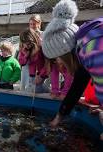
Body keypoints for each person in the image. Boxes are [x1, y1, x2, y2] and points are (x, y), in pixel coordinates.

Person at [41, 0, 103, 139]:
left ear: (64, 52)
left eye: (56, 58)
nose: (57, 63)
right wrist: (59, 116)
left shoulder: (92, 50)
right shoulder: (84, 43)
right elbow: (77, 86)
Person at [19, 28, 49, 93]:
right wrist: (25, 56)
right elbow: (21, 62)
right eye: (24, 43)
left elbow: (48, 63)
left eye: (29, 43)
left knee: (37, 89)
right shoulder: (24, 49)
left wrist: (41, 76)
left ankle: (48, 91)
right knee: (32, 89)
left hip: (41, 73)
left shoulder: (41, 47)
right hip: (31, 74)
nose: (27, 46)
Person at [19, 14, 43, 91]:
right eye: (30, 24)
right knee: (26, 87)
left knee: (38, 88)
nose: (32, 26)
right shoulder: (25, 35)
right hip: (27, 66)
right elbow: (21, 50)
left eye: (34, 24)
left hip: (39, 67)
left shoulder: (43, 34)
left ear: (39, 24)